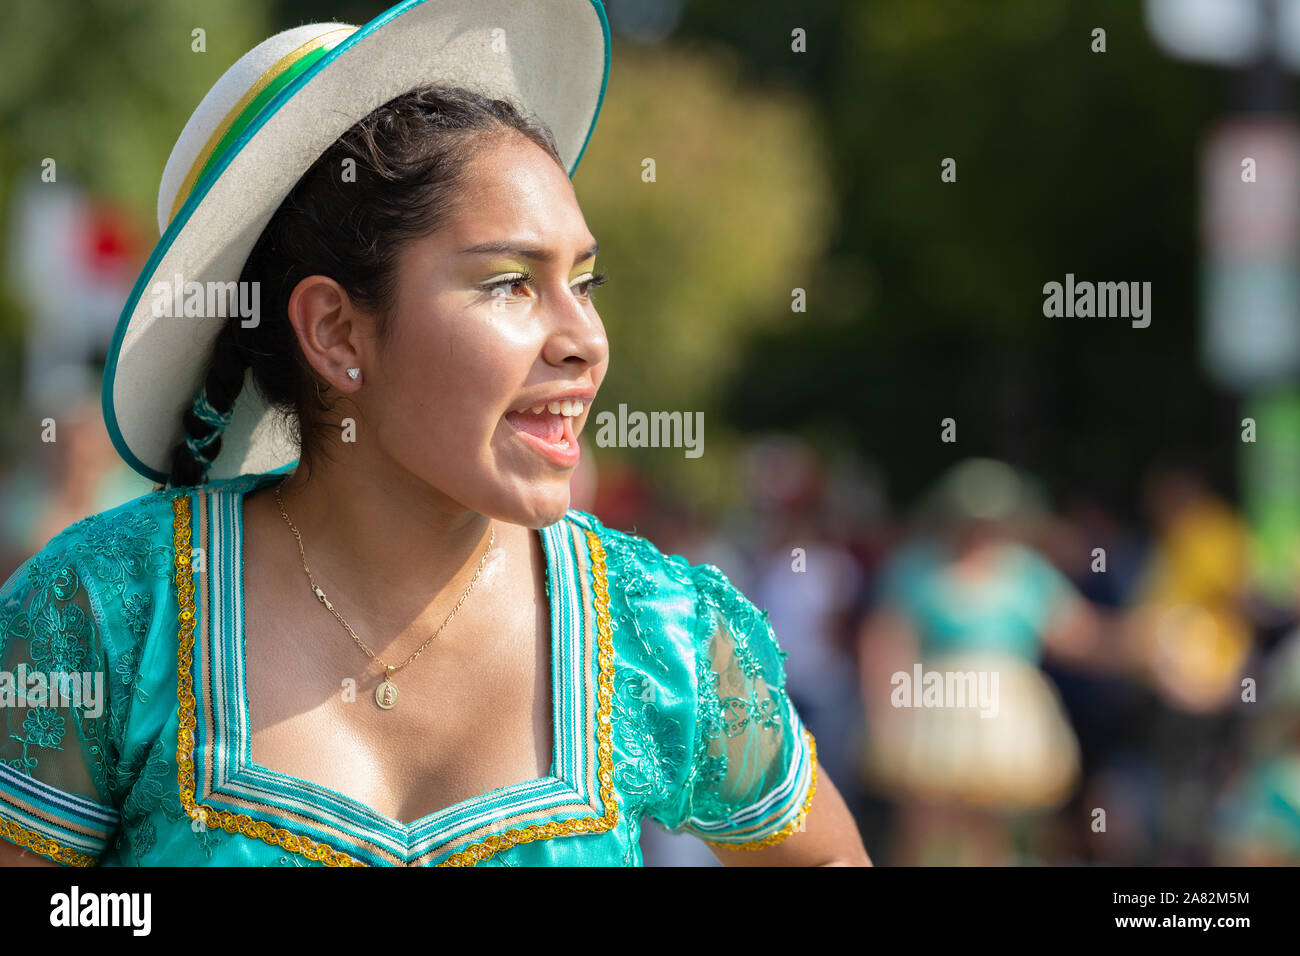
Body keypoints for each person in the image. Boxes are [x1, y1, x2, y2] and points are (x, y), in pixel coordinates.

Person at [0, 1, 868, 867]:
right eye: (509, 283)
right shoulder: (106, 615)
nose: (585, 341)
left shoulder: (658, 633)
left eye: (584, 281)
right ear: (336, 332)